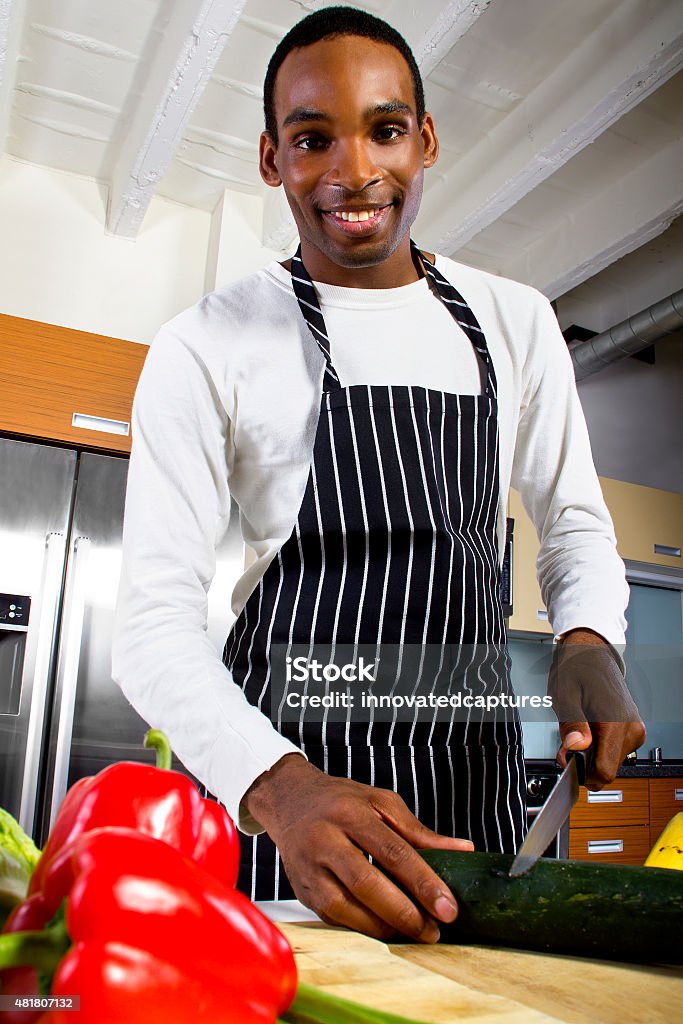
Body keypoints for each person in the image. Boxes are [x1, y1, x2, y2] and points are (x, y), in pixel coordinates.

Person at [112, 6, 645, 943]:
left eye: (386, 130)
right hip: (288, 793)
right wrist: (275, 789)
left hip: (469, 787)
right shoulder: (204, 345)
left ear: (425, 139)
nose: (355, 171)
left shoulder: (514, 321)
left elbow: (570, 521)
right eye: (313, 138)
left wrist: (588, 638)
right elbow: (152, 624)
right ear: (273, 158)